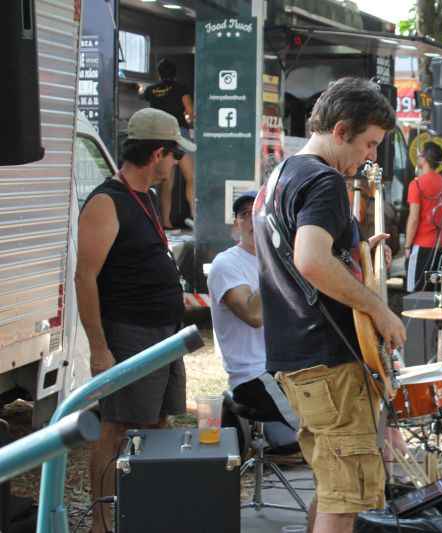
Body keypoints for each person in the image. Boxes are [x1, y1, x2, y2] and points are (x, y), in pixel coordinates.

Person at [253, 78, 405, 533]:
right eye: (369, 143)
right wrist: (380, 309)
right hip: (330, 361)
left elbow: (300, 259)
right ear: (340, 131)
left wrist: (359, 255)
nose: (371, 157)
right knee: (345, 499)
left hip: (298, 358)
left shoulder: (281, 174)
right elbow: (311, 261)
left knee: (331, 486)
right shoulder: (325, 181)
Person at [75, 108, 195, 533]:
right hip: (130, 335)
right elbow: (84, 276)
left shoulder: (143, 197)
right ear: (157, 152)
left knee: (158, 424)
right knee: (117, 427)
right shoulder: (108, 201)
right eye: (175, 154)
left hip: (164, 334)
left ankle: (140, 512)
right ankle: (101, 522)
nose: (177, 163)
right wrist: (99, 348)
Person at [207, 191, 299, 428]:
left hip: (288, 368)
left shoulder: (288, 257)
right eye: (245, 214)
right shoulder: (226, 263)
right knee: (319, 428)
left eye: (258, 212)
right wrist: (274, 263)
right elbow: (253, 315)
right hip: (254, 377)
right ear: (236, 223)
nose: (251, 220)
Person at [143, 58, 196, 227]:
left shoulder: (151, 90)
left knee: (166, 182)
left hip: (160, 137)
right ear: (175, 73)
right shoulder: (181, 89)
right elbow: (190, 112)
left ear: (159, 73)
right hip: (180, 134)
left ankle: (165, 222)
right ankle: (195, 217)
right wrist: (191, 122)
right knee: (191, 177)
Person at [405, 142, 442, 292]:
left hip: (421, 245)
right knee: (436, 295)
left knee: (415, 293)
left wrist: (407, 246)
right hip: (440, 246)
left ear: (424, 159)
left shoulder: (417, 184)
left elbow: (413, 218)